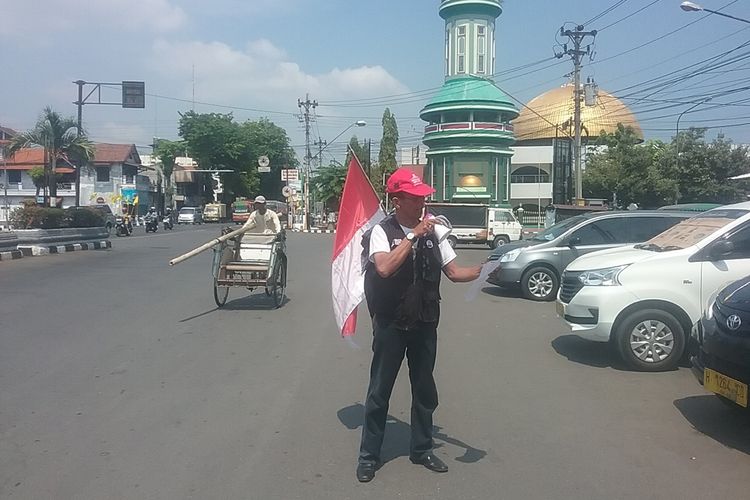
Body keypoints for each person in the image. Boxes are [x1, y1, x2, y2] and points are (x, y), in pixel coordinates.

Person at [356, 168, 482, 483]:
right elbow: (384, 268)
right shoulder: (382, 232)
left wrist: (487, 270)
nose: (421, 202)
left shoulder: (435, 232)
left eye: (423, 196)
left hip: (425, 323)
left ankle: (422, 448)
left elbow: (454, 272)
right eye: (414, 198)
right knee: (379, 392)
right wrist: (413, 235)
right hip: (391, 324)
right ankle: (369, 456)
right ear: (397, 200)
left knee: (424, 390)